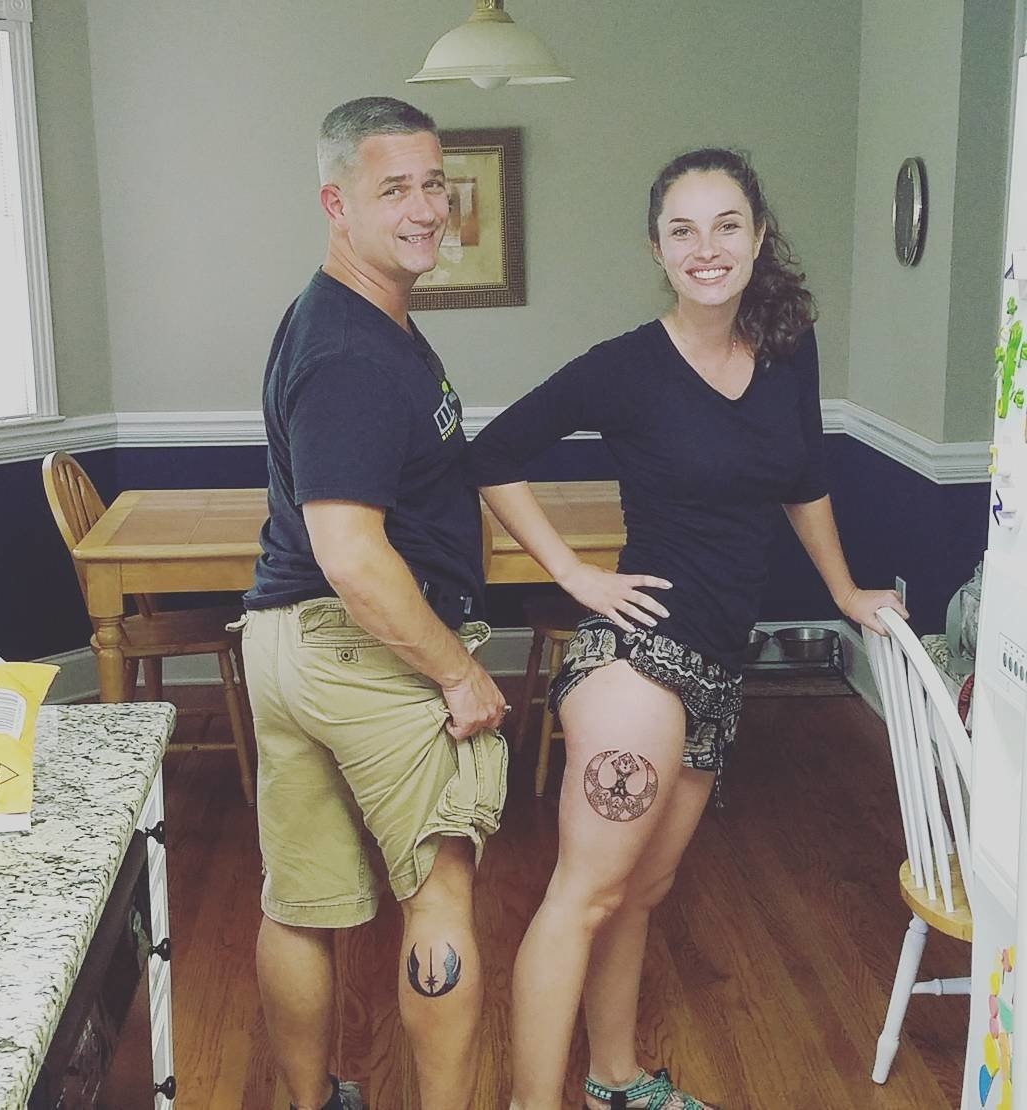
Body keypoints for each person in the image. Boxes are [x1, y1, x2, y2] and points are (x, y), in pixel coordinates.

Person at [467, 148, 908, 1110]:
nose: (706, 248)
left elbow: (805, 480)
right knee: (583, 895)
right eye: (683, 229)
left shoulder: (788, 349)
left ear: (756, 237)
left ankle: (616, 1080)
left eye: (726, 225)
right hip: (641, 659)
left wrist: (842, 590)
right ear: (657, 249)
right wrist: (574, 572)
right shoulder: (626, 368)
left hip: (716, 661)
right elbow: (491, 456)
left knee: (639, 894)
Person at [238, 96, 508, 1110]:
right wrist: (458, 668)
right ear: (335, 201)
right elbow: (350, 552)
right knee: (437, 893)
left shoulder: (348, 319)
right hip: (357, 646)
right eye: (394, 187)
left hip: (284, 643)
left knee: (300, 905)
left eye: (435, 182)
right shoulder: (351, 349)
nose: (427, 207)